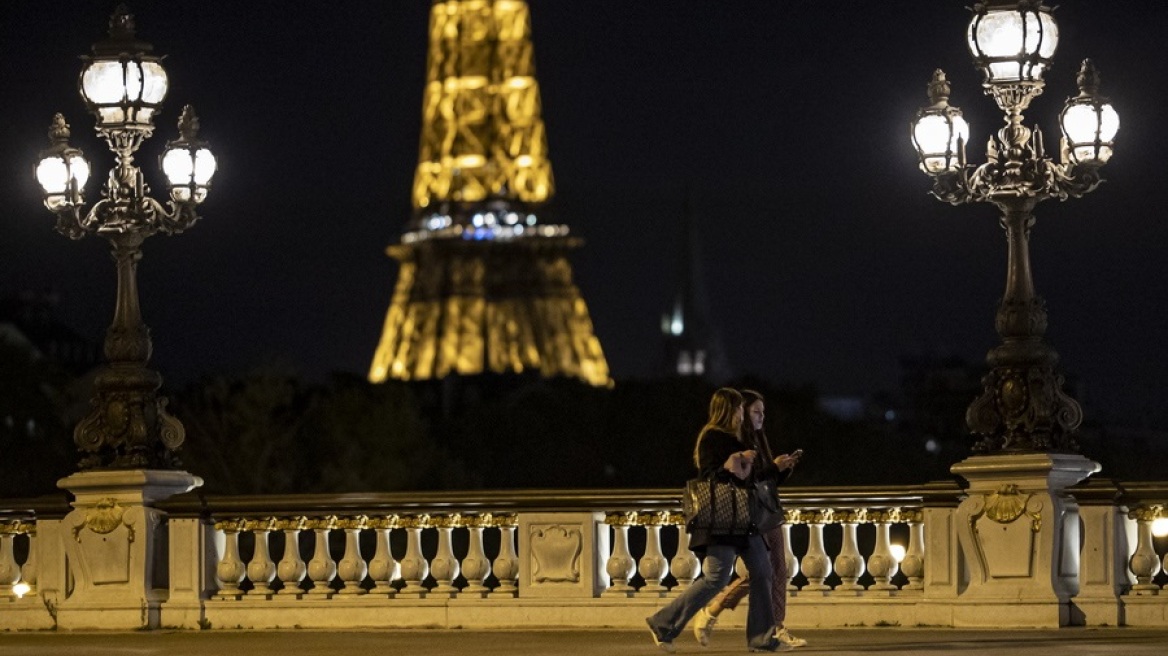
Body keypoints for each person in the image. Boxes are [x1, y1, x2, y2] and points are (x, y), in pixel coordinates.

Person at [646, 388, 784, 653]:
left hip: (746, 520)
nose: (743, 413)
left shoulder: (741, 438)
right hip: (723, 520)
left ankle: (762, 639)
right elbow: (708, 477)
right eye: (739, 409)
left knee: (764, 572)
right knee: (716, 579)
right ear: (729, 410)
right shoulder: (712, 438)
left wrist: (777, 468)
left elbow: (753, 480)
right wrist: (733, 463)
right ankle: (663, 624)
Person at [692, 389, 806, 649]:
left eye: (762, 412)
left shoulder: (757, 439)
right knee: (762, 571)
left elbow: (765, 479)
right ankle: (722, 612)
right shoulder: (735, 441)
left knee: (775, 569)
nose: (760, 417)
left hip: (768, 511)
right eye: (755, 411)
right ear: (740, 413)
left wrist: (782, 469)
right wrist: (772, 467)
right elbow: (748, 479)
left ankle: (772, 627)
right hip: (752, 513)